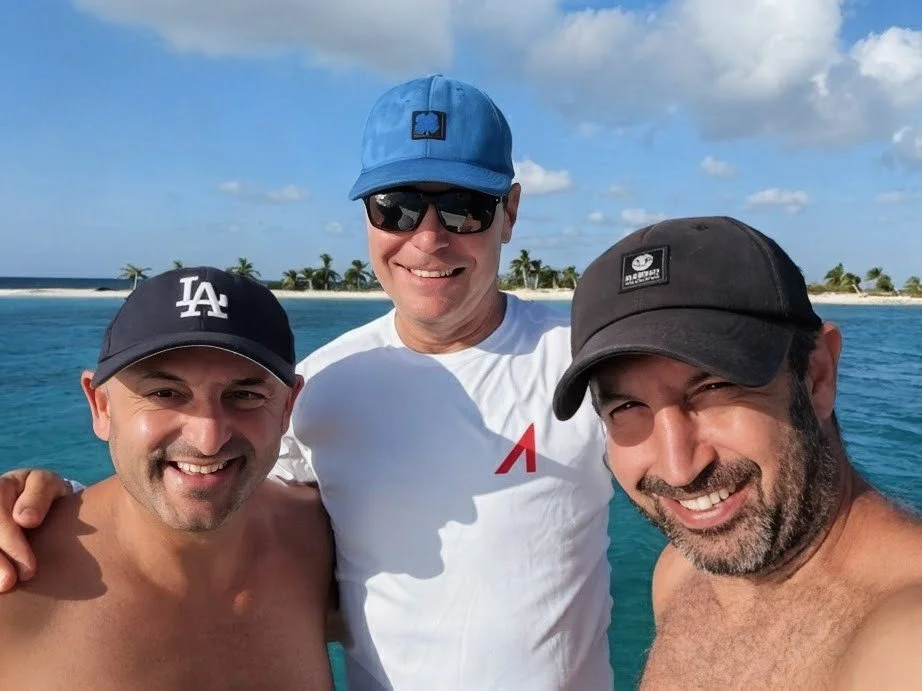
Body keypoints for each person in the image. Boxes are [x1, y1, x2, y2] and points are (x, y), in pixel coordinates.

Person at [0, 76, 615, 689]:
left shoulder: (586, 361)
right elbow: (219, 501)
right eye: (396, 207)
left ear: (508, 212)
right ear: (367, 217)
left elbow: (697, 495)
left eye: (464, 207)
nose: (429, 238)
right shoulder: (320, 384)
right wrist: (59, 509)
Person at [553, 216, 922, 688]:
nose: (679, 467)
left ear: (818, 376)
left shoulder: (904, 636)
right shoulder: (681, 573)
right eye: (628, 406)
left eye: (714, 387)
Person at [0, 267, 334, 689]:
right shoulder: (15, 579)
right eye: (164, 394)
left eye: (245, 395)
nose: (209, 438)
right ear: (100, 405)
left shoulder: (320, 542)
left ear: (287, 409)